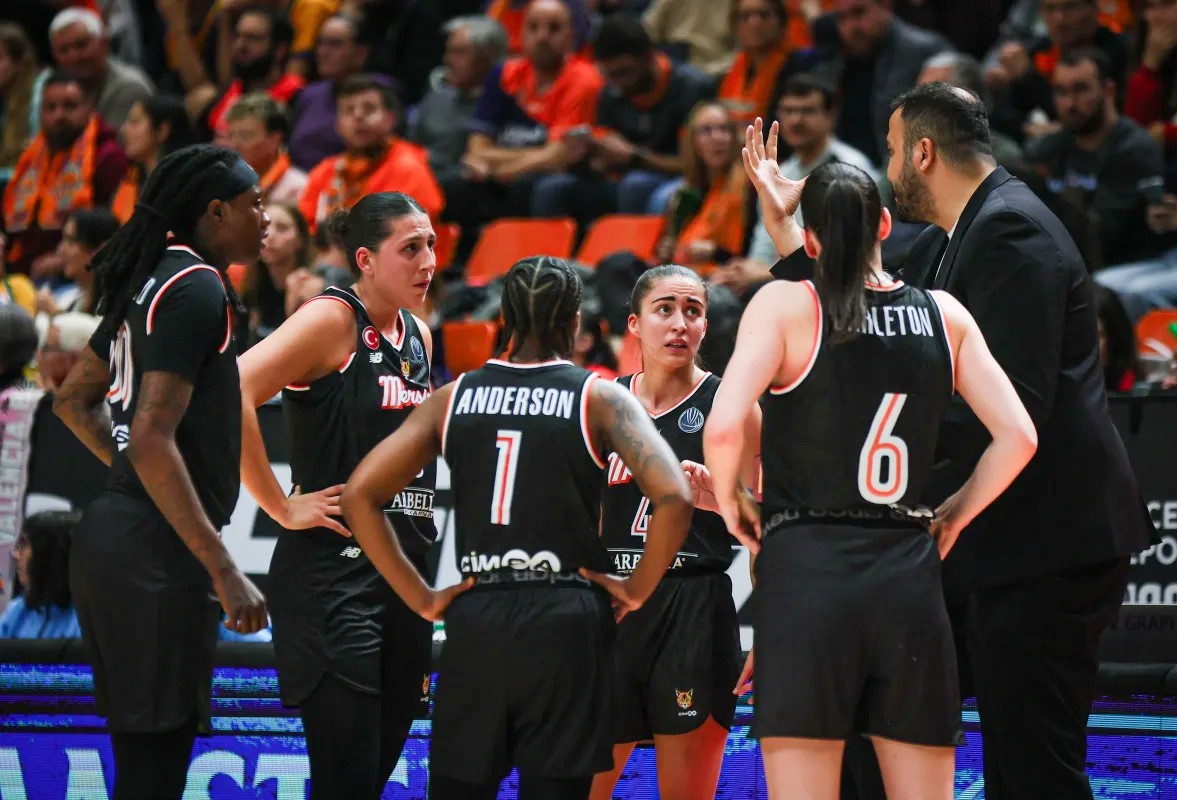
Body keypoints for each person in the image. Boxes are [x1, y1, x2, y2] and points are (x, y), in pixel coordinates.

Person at [705, 126, 1039, 799]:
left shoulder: (783, 305)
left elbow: (722, 427)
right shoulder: (943, 314)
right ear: (885, 224)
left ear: (812, 241)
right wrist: (952, 516)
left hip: (806, 570)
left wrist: (734, 503)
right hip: (906, 573)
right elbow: (1019, 437)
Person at [341, 256, 695, 800]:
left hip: (480, 614)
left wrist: (423, 598)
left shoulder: (453, 397)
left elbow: (360, 495)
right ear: (575, 320)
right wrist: (635, 589)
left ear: (503, 318)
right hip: (566, 618)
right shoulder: (598, 397)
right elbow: (673, 496)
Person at [53, 144, 269, 800]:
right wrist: (224, 570)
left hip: (121, 536)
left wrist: (132, 472)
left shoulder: (153, 275)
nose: (265, 217)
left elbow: (72, 400)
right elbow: (149, 437)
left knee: (146, 762)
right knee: (154, 771)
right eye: (255, 204)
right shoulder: (196, 286)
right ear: (216, 211)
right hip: (152, 552)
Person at [237, 192, 438, 799]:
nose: (428, 261)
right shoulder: (331, 319)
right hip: (334, 578)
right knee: (345, 780)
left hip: (404, 575)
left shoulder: (419, 334)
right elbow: (234, 387)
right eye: (411, 248)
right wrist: (279, 505)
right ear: (365, 260)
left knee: (369, 780)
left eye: (431, 244)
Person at [590, 264, 759, 800]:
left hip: (695, 607)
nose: (680, 323)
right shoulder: (599, 404)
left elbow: (767, 529)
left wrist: (772, 622)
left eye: (693, 311)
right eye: (664, 309)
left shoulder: (732, 410)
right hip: (612, 605)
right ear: (634, 323)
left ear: (706, 325)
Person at [0, 510, 82, 639]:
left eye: (25, 544)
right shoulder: (19, 610)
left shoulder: (86, 621)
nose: (15, 554)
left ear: (49, 555)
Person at [112, 95, 194, 223]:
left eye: (135, 122)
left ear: (162, 131)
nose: (124, 130)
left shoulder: (181, 187)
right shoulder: (133, 175)